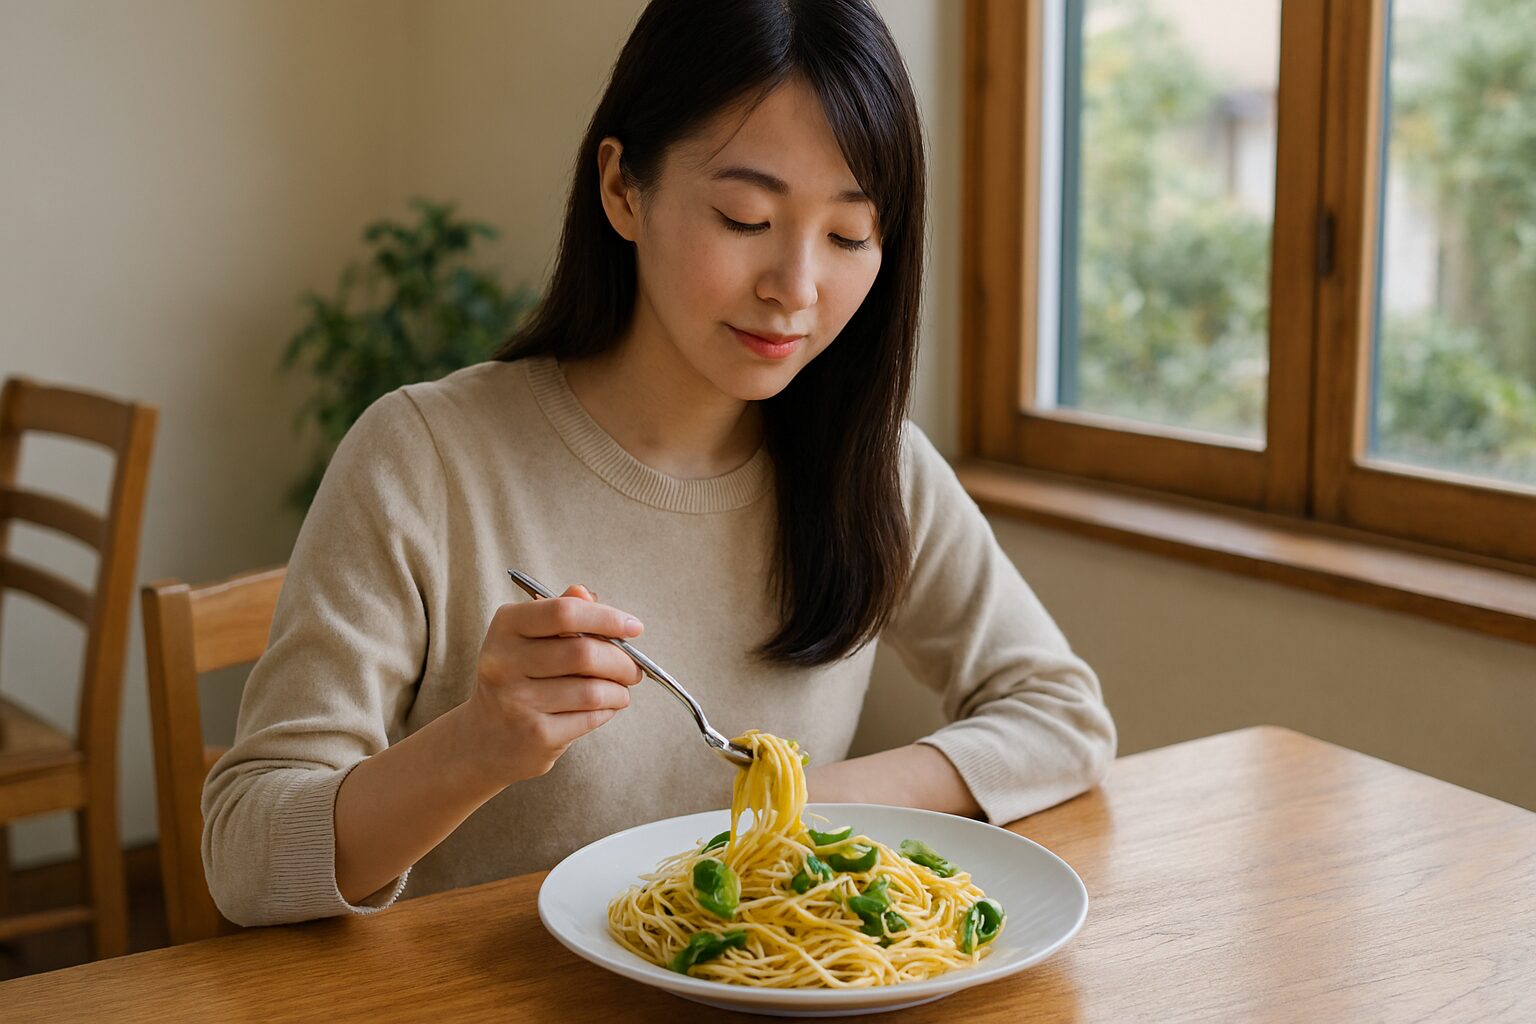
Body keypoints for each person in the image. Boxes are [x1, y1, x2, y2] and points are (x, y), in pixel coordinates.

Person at [203, 0, 1116, 926]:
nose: (795, 289)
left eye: (848, 236)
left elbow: (1063, 715)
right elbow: (244, 856)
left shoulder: (872, 464)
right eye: (744, 216)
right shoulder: (425, 458)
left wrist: (812, 801)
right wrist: (474, 747)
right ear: (622, 190)